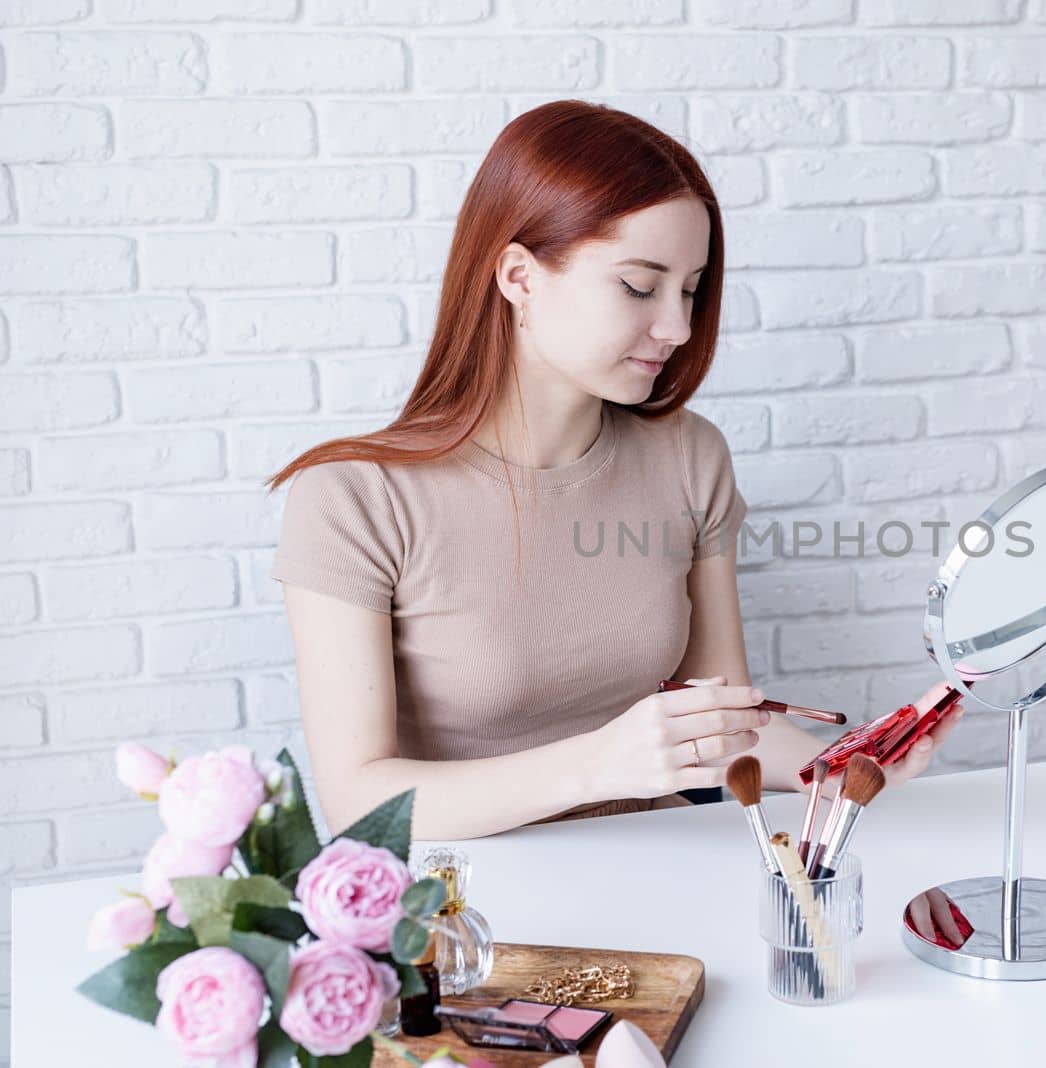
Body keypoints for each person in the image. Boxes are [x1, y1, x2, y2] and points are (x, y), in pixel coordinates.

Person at [267, 101, 964, 840]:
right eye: (639, 286)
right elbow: (359, 804)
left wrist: (851, 762)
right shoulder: (355, 500)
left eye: (690, 289)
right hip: (465, 913)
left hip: (656, 868)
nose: (679, 328)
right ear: (518, 277)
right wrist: (601, 764)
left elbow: (722, 726)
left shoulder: (688, 456)